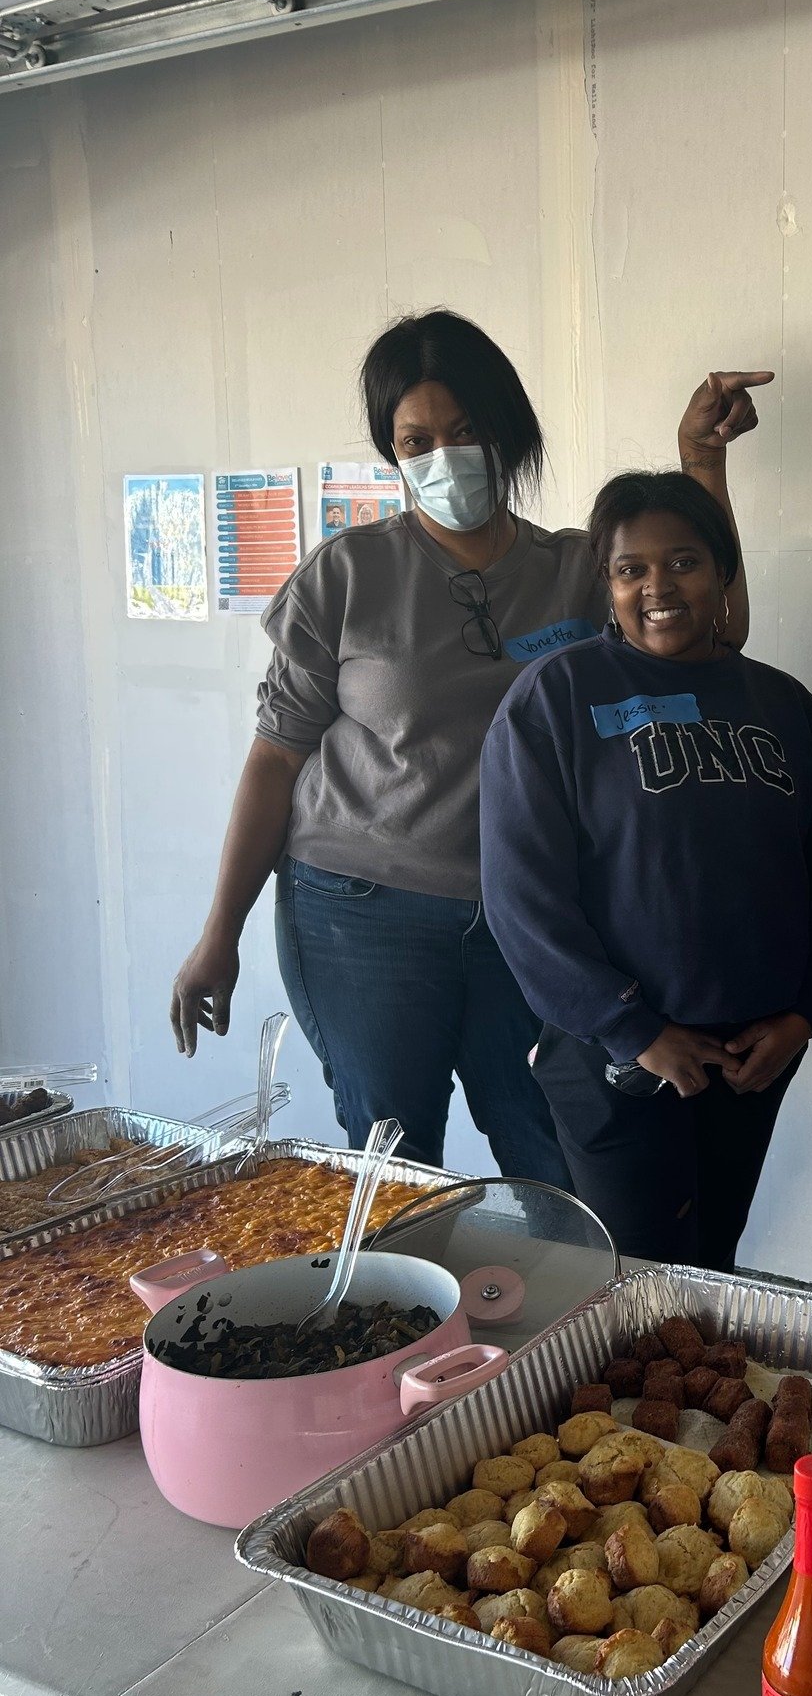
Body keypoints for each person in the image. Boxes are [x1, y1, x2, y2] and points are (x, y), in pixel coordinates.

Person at [171, 308, 771, 1180]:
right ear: (393, 454)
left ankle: (538, 1324)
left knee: (550, 1157)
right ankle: (417, 1321)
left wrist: (702, 467)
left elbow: (716, 630)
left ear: (506, 431)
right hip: (359, 913)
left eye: (463, 431)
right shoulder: (345, 575)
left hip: (527, 922)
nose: (441, 457)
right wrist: (218, 933)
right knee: (395, 1161)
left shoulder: (575, 568)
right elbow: (275, 760)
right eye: (415, 441)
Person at [480, 470, 812, 1266]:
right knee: (634, 1279)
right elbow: (523, 897)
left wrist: (804, 1013)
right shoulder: (556, 697)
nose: (659, 587)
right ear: (607, 584)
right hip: (620, 1057)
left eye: (684, 562)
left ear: (723, 574)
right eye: (631, 569)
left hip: (752, 1058)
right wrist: (634, 1028)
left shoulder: (786, 708)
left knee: (712, 1266)